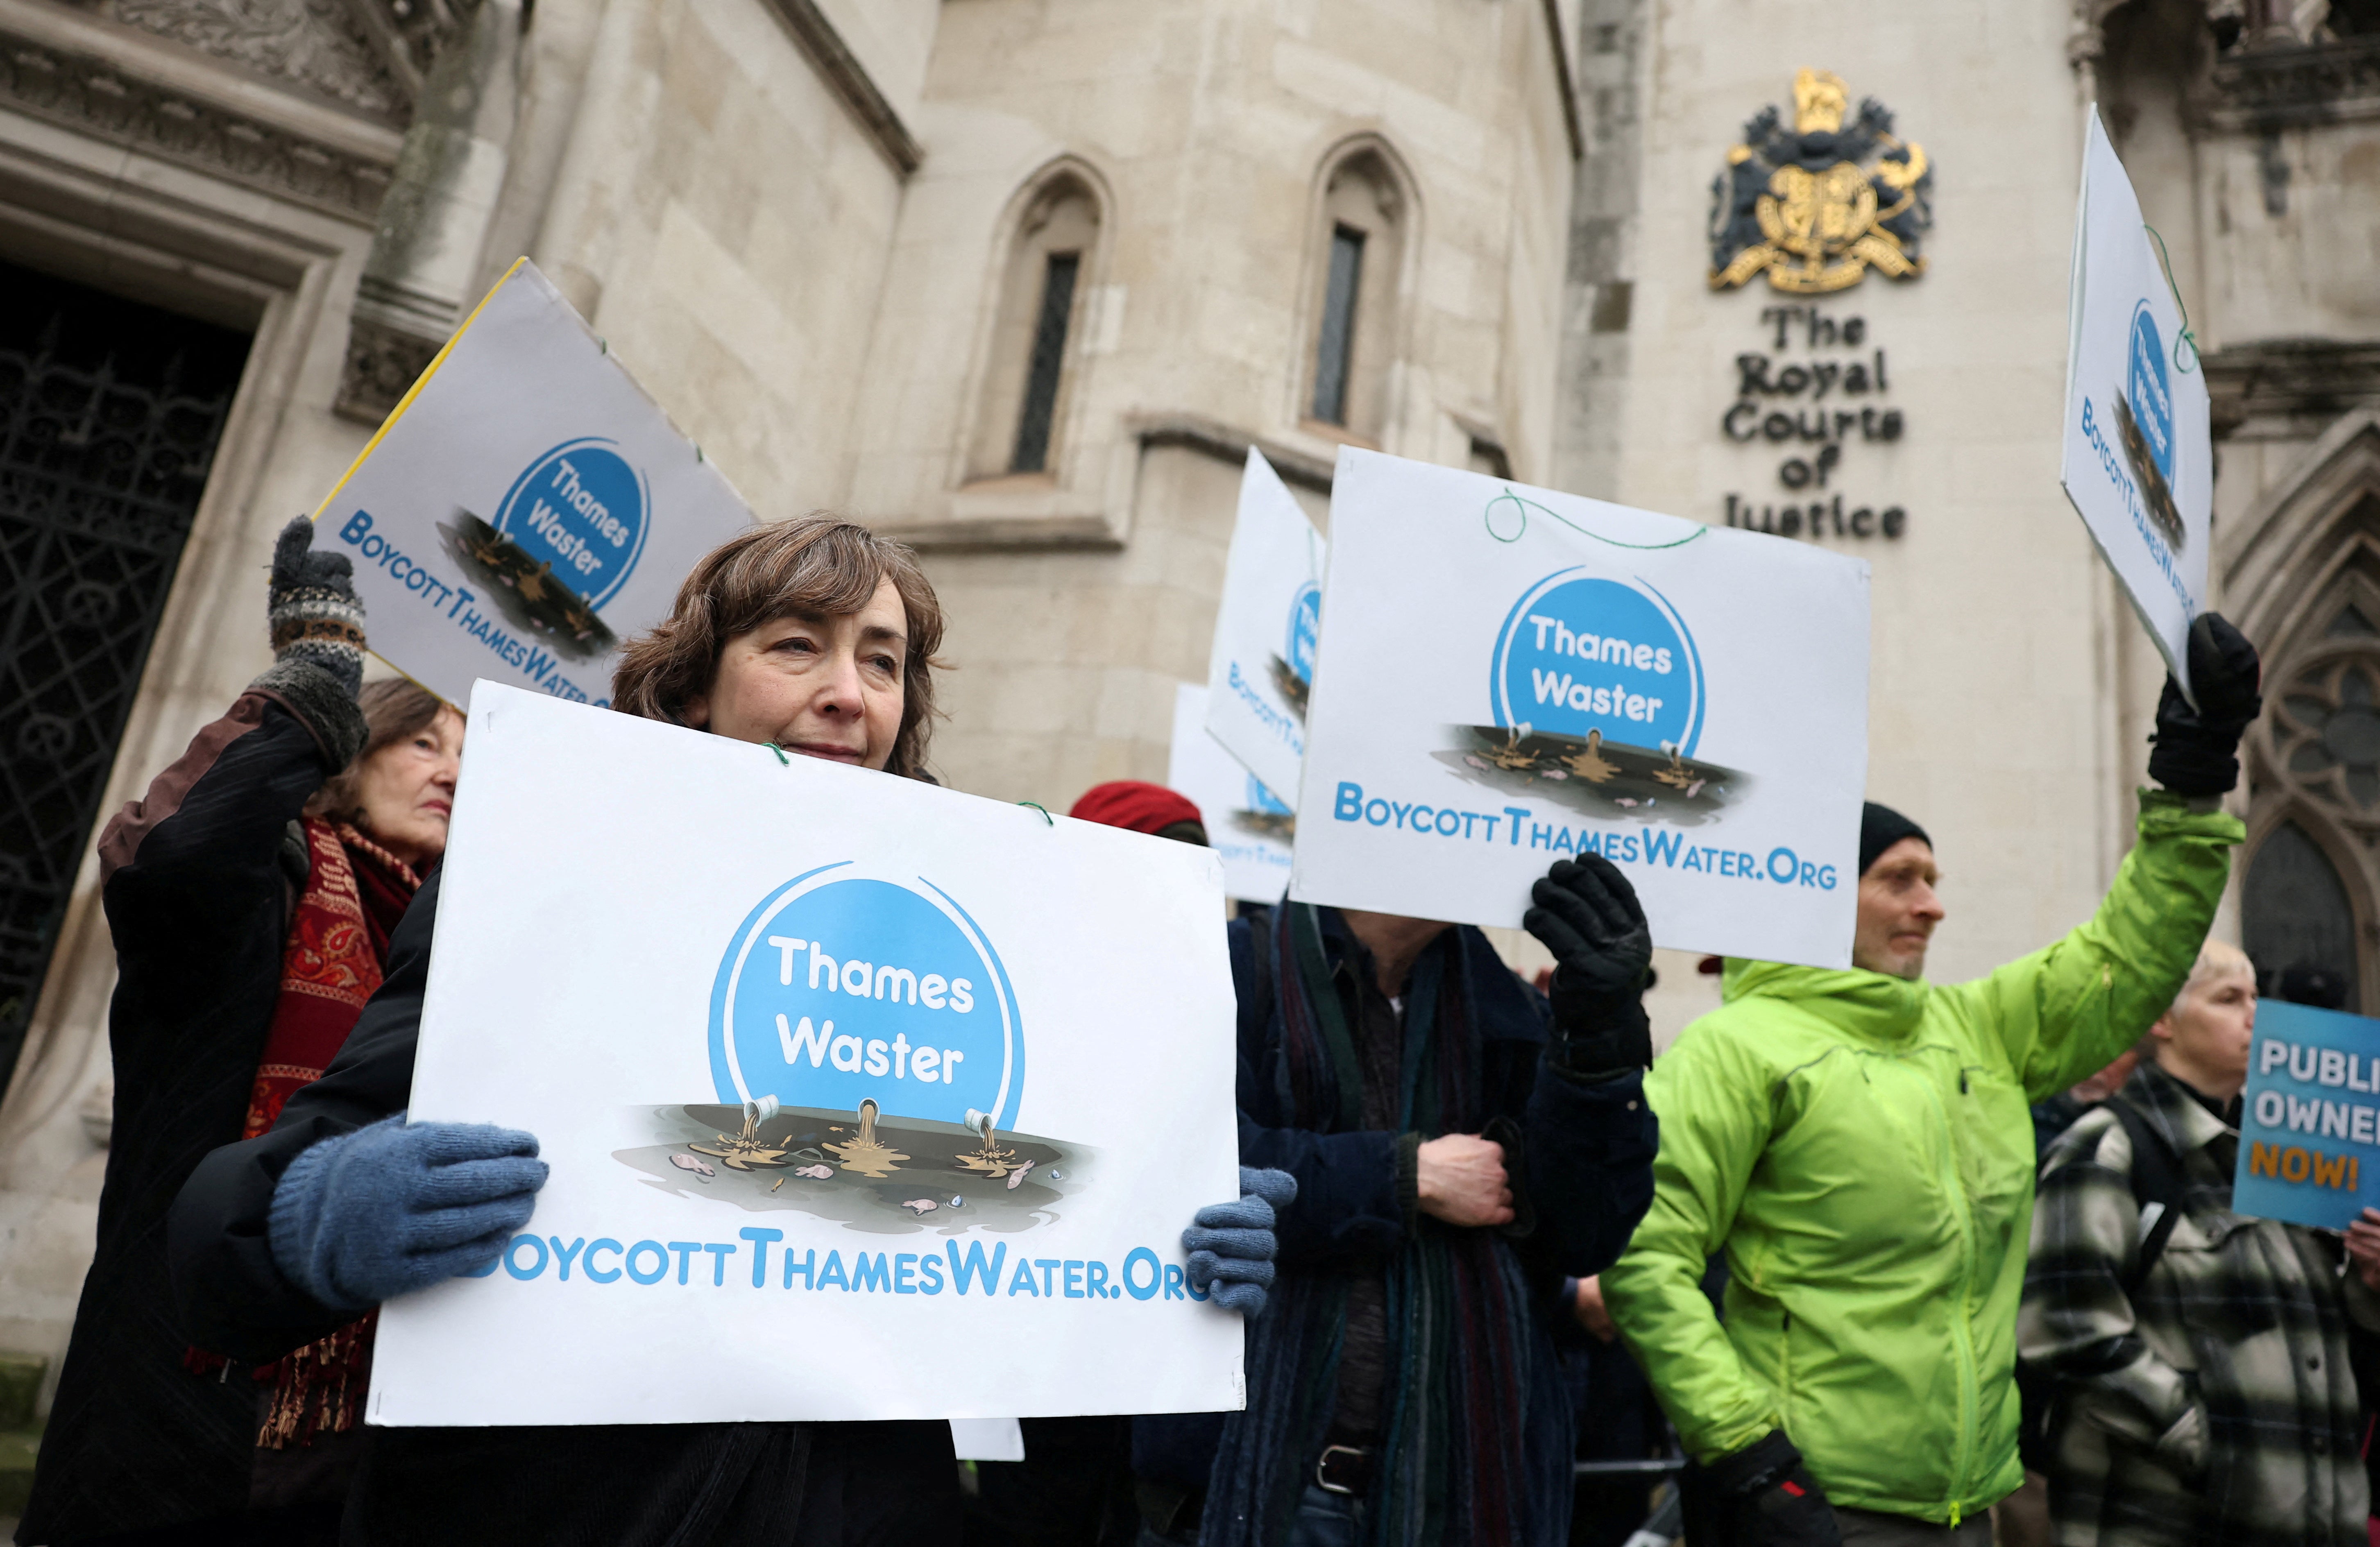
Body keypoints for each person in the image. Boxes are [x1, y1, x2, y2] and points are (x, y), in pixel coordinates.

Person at [165, 517, 1285, 1545]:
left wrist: (1164, 1249)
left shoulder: (959, 949)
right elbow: (218, 1233)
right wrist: (312, 1217)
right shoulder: (547, 886)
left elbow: (1023, 1236)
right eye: (798, 645)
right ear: (696, 688)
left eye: (884, 661)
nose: (850, 693)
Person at [1600, 614, 2264, 1545]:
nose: (1934, 903)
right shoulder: (1736, 1047)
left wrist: (2191, 783)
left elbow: (2126, 957)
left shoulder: (1976, 1029)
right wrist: (1747, 1452)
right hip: (1814, 1510)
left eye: (1934, 877)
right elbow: (1643, 1253)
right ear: (1827, 894)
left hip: (1969, 1508)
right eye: (1901, 877)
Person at [22, 519, 462, 1547]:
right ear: (354, 757)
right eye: (422, 739)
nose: (451, 768)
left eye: (475, 754)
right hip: (185, 1411)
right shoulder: (275, 878)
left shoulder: (469, 943)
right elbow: (169, 859)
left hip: (375, 1450)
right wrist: (307, 692)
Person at [1193, 853, 1662, 1546]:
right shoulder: (1228, 969)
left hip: (1459, 1495)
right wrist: (1400, 1175)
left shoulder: (1513, 1011)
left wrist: (1599, 1031)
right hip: (1260, 1488)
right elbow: (1177, 1173)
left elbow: (1586, 1231)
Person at [2020, 939, 2380, 1546]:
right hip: (2165, 1521)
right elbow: (2067, 1328)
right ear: (2161, 1019)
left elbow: (2319, 1341)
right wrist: (2208, 1445)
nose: (2256, 1016)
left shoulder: (2285, 1161)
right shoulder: (2107, 1148)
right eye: (2228, 998)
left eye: (2257, 998)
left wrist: (2369, 1284)